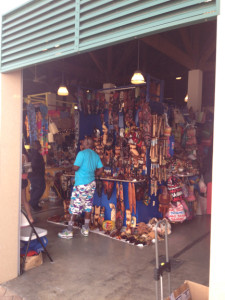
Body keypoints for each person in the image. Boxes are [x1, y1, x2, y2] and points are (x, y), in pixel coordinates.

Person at [58, 136, 103, 239]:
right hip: (91, 184)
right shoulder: (95, 155)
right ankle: (86, 229)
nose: (81, 144)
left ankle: (69, 231)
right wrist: (93, 174)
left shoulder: (81, 153)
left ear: (87, 144)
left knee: (74, 207)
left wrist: (71, 167)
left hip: (81, 184)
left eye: (83, 143)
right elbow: (100, 169)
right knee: (88, 206)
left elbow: (76, 167)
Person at [28, 140, 46, 211]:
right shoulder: (36, 154)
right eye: (38, 144)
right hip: (37, 175)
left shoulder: (31, 153)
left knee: (35, 189)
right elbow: (35, 165)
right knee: (40, 188)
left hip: (33, 175)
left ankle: (34, 205)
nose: (40, 146)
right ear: (35, 146)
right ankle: (32, 203)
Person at [21, 145, 34, 223]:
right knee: (24, 200)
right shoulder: (25, 156)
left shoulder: (17, 156)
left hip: (18, 180)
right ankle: (30, 217)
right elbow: (28, 170)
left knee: (17, 200)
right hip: (24, 179)